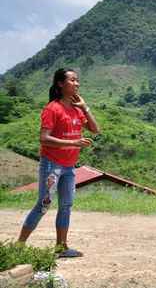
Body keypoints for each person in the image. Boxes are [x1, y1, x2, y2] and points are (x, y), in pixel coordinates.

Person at [17, 67, 100, 258]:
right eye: (72, 80)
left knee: (66, 206)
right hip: (52, 165)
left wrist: (85, 108)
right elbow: (44, 138)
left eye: (77, 80)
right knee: (43, 205)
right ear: (60, 84)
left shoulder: (76, 110)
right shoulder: (52, 109)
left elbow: (95, 129)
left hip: (69, 166)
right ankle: (19, 246)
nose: (77, 83)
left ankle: (61, 248)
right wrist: (74, 142)